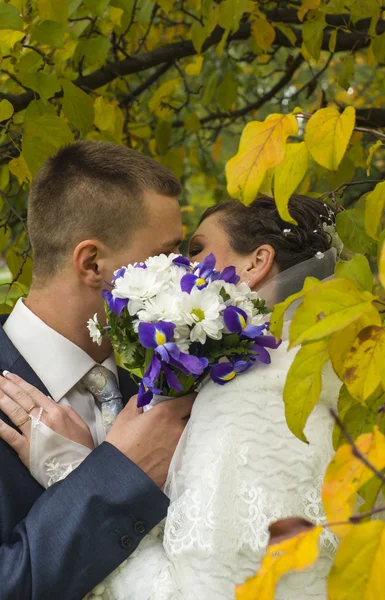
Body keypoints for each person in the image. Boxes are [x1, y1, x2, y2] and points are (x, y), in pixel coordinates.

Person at [0, 194, 341, 599]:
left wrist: (77, 474)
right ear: (91, 263)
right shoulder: (216, 382)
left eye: (192, 251)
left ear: (256, 263)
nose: (178, 269)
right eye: (171, 253)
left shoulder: (248, 401)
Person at [0, 140, 195, 600]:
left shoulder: (158, 395)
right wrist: (118, 474)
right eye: (169, 253)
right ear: (92, 263)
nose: (186, 272)